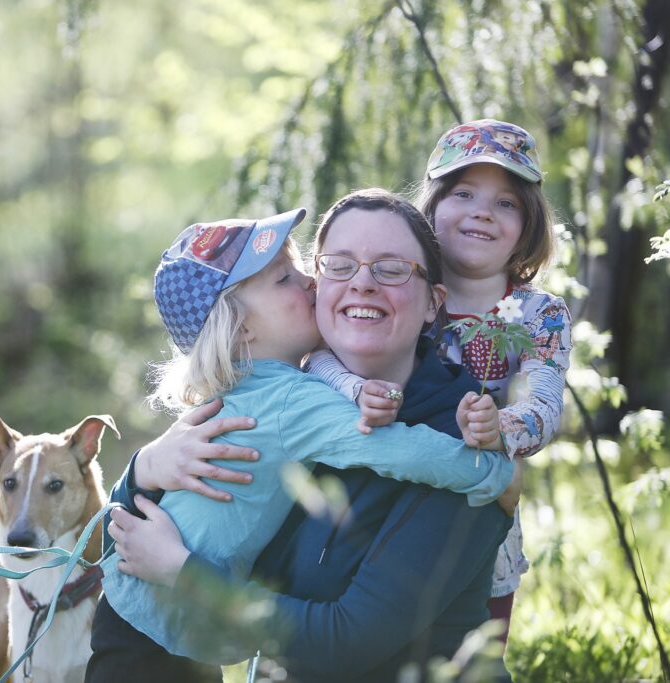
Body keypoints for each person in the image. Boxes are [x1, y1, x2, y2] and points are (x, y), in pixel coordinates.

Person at [94, 190, 522, 682]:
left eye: (391, 268)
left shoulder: (460, 430)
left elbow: (345, 643)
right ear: (240, 328)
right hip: (151, 638)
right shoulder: (286, 398)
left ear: (433, 303)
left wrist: (496, 470)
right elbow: (120, 534)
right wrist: (143, 468)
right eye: (337, 266)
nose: (356, 284)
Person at [307, 120, 572, 639]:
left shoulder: (539, 314)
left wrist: (503, 427)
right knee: (364, 627)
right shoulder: (400, 284)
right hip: (377, 484)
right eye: (463, 193)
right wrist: (355, 390)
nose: (481, 211)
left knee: (468, 647)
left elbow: (545, 399)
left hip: (476, 505)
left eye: (506, 203)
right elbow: (318, 356)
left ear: (529, 223)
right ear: (431, 207)